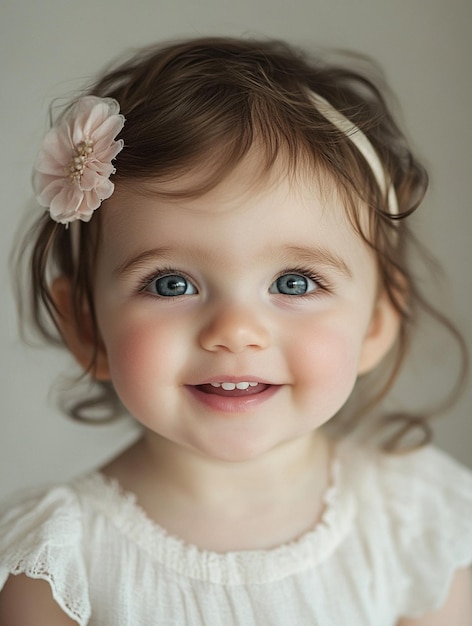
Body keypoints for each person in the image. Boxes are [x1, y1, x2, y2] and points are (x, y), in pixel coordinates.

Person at [0, 37, 470, 625]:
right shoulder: (60, 565)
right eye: (171, 284)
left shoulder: (417, 521)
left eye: (295, 283)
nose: (235, 332)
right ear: (86, 326)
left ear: (376, 321)